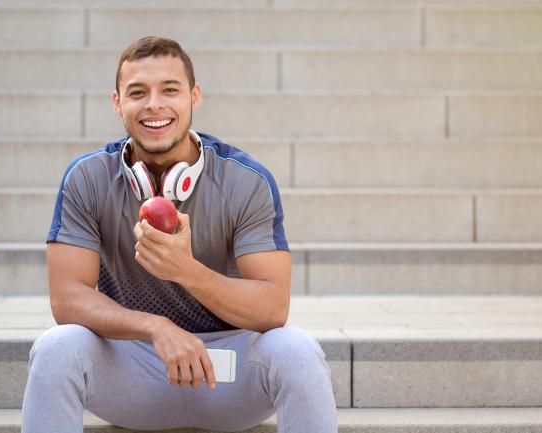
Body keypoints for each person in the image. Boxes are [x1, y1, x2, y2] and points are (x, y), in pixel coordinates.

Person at [21, 36, 337, 433]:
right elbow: (67, 300)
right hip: (133, 371)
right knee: (55, 348)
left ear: (194, 97)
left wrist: (186, 270)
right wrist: (157, 327)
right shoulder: (87, 178)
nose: (154, 104)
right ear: (117, 102)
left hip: (225, 375)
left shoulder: (246, 181)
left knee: (298, 351)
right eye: (138, 92)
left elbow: (273, 309)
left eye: (170, 89)